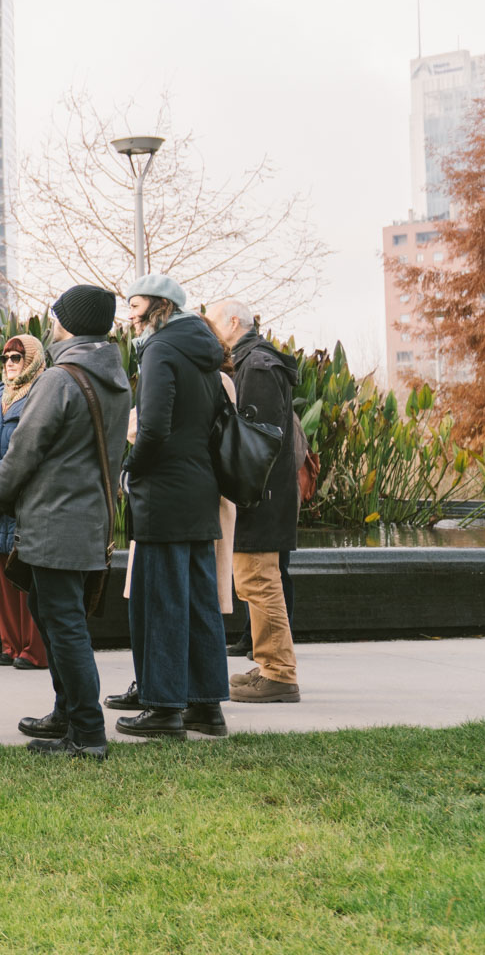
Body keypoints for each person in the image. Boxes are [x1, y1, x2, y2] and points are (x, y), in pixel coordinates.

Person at [0, 286, 130, 760]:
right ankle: (66, 712)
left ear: (68, 323)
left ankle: (87, 734)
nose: (51, 325)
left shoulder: (59, 379)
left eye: (56, 318)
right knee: (54, 620)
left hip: (53, 520)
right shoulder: (115, 375)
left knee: (64, 626)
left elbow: (25, 447)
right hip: (89, 519)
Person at [112, 274, 232, 740]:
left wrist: (131, 469)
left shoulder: (162, 350)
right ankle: (206, 707)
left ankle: (162, 708)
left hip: (164, 491)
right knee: (199, 602)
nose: (130, 315)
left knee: (161, 601)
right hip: (199, 489)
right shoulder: (202, 351)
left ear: (161, 306)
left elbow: (154, 428)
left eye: (136, 305)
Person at [205, 298, 303, 705]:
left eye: (211, 321)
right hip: (263, 495)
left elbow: (256, 443)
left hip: (260, 497)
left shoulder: (257, 366)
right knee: (254, 582)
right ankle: (269, 663)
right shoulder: (254, 360)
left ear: (232, 321)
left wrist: (242, 493)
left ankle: (279, 674)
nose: (208, 328)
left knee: (260, 582)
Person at [0, 334, 49, 671]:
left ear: (32, 360)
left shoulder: (41, 395)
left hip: (24, 497)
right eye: (5, 358)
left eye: (16, 358)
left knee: (27, 578)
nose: (8, 364)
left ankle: (34, 650)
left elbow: (28, 449)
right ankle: (11, 644)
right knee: (2, 578)